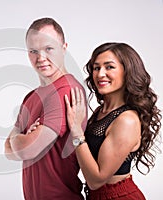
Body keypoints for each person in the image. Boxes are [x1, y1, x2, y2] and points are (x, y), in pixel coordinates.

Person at [64, 42, 162, 199]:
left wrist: (76, 132)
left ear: (127, 71)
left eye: (109, 67)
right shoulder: (101, 111)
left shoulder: (127, 120)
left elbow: (96, 180)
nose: (100, 74)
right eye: (96, 68)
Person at [4, 17, 86, 199]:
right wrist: (21, 141)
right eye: (33, 51)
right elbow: (7, 152)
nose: (41, 58)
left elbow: (26, 150)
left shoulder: (66, 91)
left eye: (49, 49)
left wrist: (16, 138)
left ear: (64, 48)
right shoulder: (31, 97)